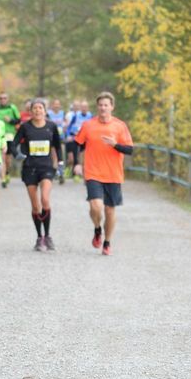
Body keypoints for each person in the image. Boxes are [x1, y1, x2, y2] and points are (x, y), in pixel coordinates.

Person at [74, 92, 133, 256]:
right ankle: (97, 228)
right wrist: (77, 164)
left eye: (106, 105)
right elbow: (78, 144)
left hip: (113, 174)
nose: (103, 108)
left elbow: (130, 149)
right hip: (93, 172)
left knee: (109, 211)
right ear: (97, 107)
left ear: (112, 107)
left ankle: (107, 242)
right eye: (100, 105)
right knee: (96, 206)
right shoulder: (88, 125)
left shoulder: (120, 126)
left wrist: (115, 145)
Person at [12, 99, 63, 251]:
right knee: (35, 206)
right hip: (30, 168)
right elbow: (13, 144)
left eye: (40, 108)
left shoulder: (51, 126)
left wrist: (60, 163)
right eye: (35, 108)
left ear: (45, 110)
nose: (37, 111)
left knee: (45, 199)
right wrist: (17, 154)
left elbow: (57, 146)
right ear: (31, 111)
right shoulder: (25, 127)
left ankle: (47, 236)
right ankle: (39, 237)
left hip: (46, 167)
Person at [0, 92, 22, 188]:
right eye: (1, 98)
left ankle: (7, 173)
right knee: (1, 158)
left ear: (7, 99)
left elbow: (19, 120)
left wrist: (10, 120)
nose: (3, 100)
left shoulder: (12, 107)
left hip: (9, 135)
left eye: (4, 98)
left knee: (8, 159)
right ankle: (3, 179)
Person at [65, 100, 92, 179]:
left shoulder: (90, 116)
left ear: (88, 108)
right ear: (80, 108)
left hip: (85, 139)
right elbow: (69, 127)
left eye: (86, 107)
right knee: (72, 158)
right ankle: (69, 169)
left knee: (82, 157)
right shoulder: (76, 115)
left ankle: (78, 174)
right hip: (75, 138)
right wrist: (68, 135)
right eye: (83, 107)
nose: (84, 108)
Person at [47, 99, 68, 183]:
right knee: (54, 155)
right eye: (55, 104)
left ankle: (60, 172)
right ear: (52, 105)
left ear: (60, 105)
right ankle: (56, 171)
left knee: (61, 154)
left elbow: (66, 124)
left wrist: (64, 128)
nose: (56, 106)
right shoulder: (49, 114)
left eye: (58, 104)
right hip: (52, 137)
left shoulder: (63, 113)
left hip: (61, 137)